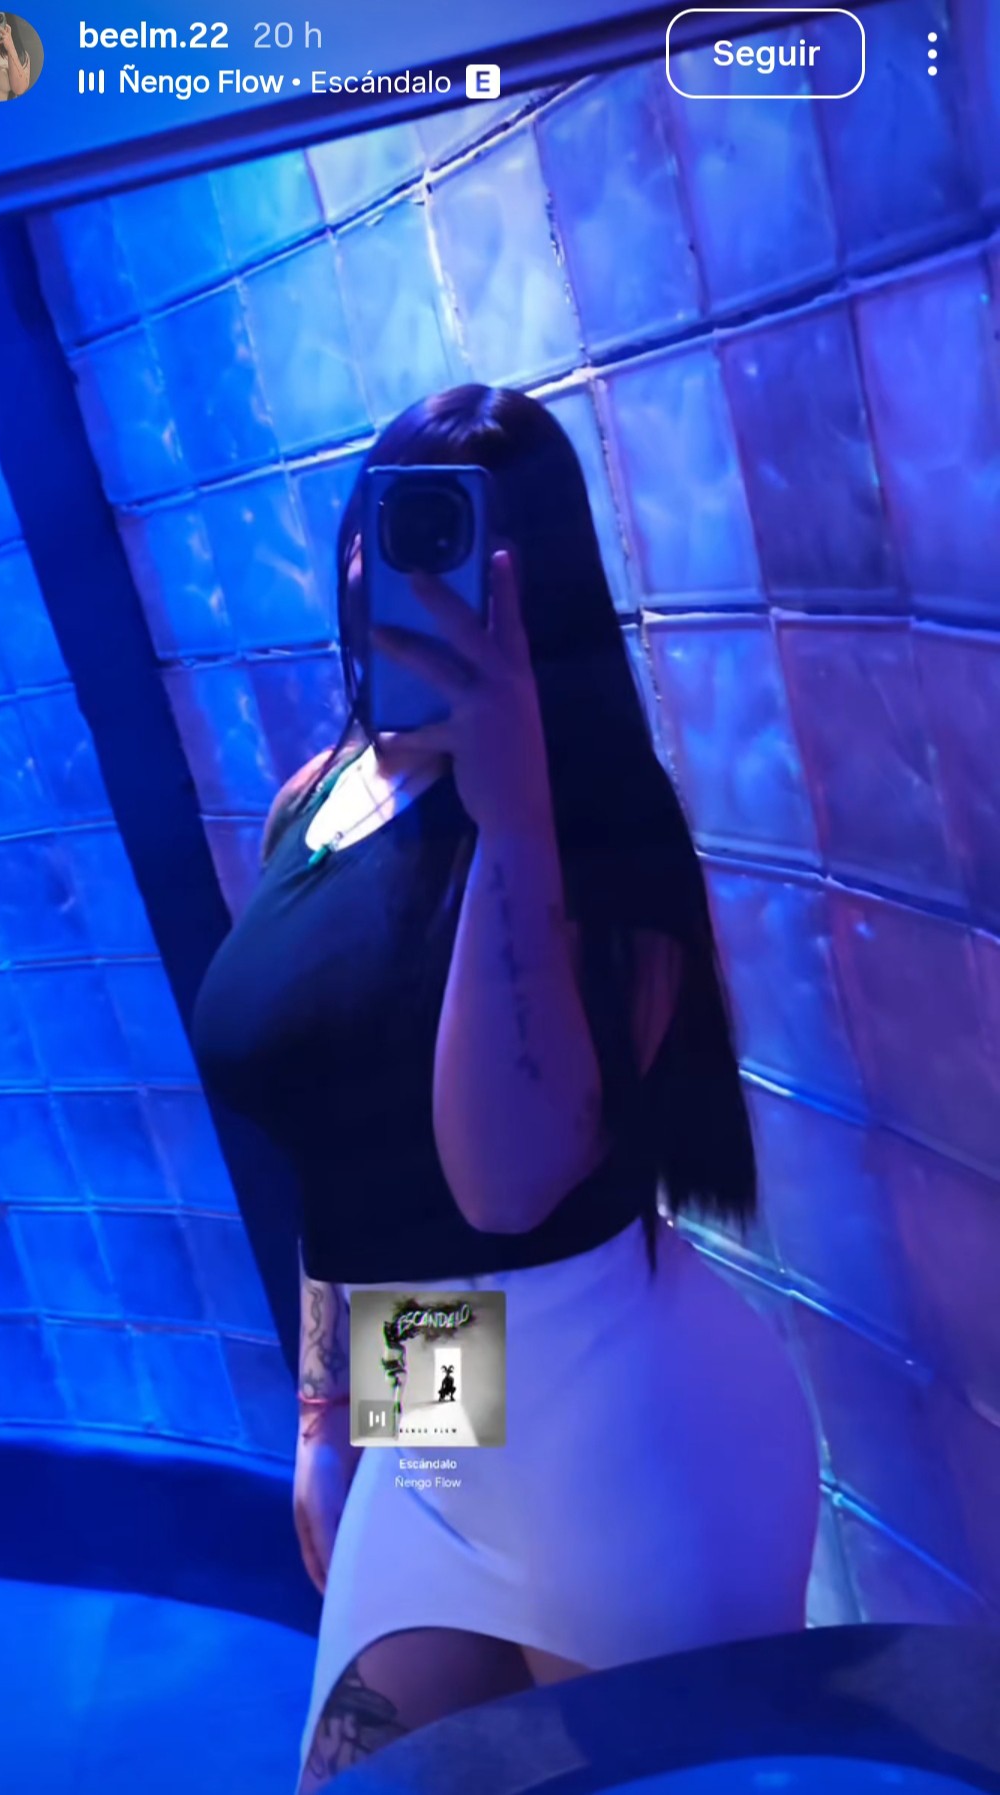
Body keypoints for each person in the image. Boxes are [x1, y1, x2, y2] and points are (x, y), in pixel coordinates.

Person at [190, 386, 820, 1793]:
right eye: (383, 518)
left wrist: (513, 813)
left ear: (523, 579)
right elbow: (330, 1136)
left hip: (627, 1420)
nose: (388, 564)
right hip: (432, 1375)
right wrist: (325, 1414)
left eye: (447, 536)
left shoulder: (602, 823)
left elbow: (509, 1182)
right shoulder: (315, 798)